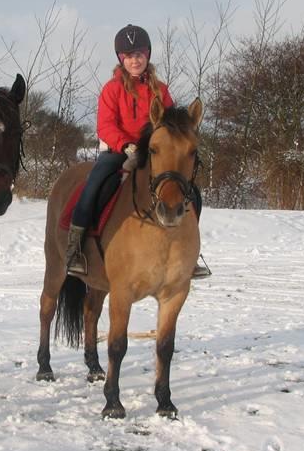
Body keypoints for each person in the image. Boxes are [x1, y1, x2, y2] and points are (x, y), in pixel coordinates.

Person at [65, 24, 210, 278]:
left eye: (140, 54)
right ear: (122, 59)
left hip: (155, 152)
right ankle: (75, 247)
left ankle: (191, 253)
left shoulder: (160, 89)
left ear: (148, 55)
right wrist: (125, 145)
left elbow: (172, 125)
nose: (135, 60)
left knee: (192, 192)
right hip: (120, 151)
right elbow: (105, 125)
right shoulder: (112, 89)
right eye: (129, 56)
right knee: (94, 184)